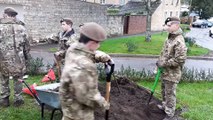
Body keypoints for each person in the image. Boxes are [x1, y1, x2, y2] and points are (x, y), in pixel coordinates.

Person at [59, 22, 111, 120]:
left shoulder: (72, 49)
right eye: (98, 43)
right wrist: (104, 104)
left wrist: (100, 55)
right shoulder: (86, 66)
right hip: (80, 114)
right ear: (92, 43)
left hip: (68, 108)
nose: (98, 46)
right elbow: (87, 96)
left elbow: (87, 52)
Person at [156, 17, 187, 120]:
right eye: (167, 25)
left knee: (170, 93)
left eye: (169, 25)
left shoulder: (179, 40)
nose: (167, 27)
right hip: (165, 72)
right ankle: (165, 106)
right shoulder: (170, 37)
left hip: (172, 74)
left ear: (176, 26)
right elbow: (164, 52)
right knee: (164, 90)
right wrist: (159, 62)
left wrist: (165, 64)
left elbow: (180, 59)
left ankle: (169, 113)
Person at [0, 7, 30, 107]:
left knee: (4, 78)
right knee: (18, 79)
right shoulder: (22, 27)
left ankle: (5, 99)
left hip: (3, 58)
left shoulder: (0, 27)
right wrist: (26, 57)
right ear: (14, 16)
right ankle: (18, 99)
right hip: (19, 58)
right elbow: (27, 45)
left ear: (6, 14)